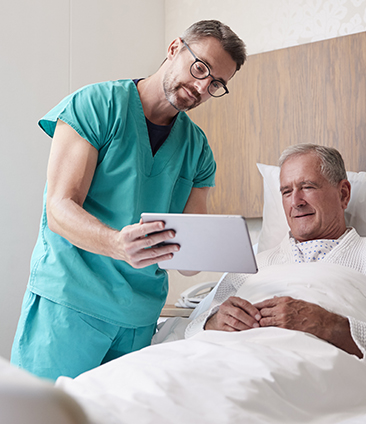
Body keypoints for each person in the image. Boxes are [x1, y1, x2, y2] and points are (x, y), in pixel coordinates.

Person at [11, 20, 247, 381]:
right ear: (174, 49)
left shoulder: (198, 150)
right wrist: (116, 244)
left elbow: (188, 259)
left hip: (138, 318)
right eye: (201, 68)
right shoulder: (96, 106)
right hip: (70, 304)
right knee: (42, 418)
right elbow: (59, 208)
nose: (202, 87)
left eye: (216, 84)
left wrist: (217, 252)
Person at [185, 144, 366, 386]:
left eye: (307, 187)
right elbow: (191, 330)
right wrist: (214, 322)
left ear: (343, 194)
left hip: (306, 381)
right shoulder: (251, 265)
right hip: (225, 370)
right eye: (286, 192)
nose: (296, 201)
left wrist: (326, 324)